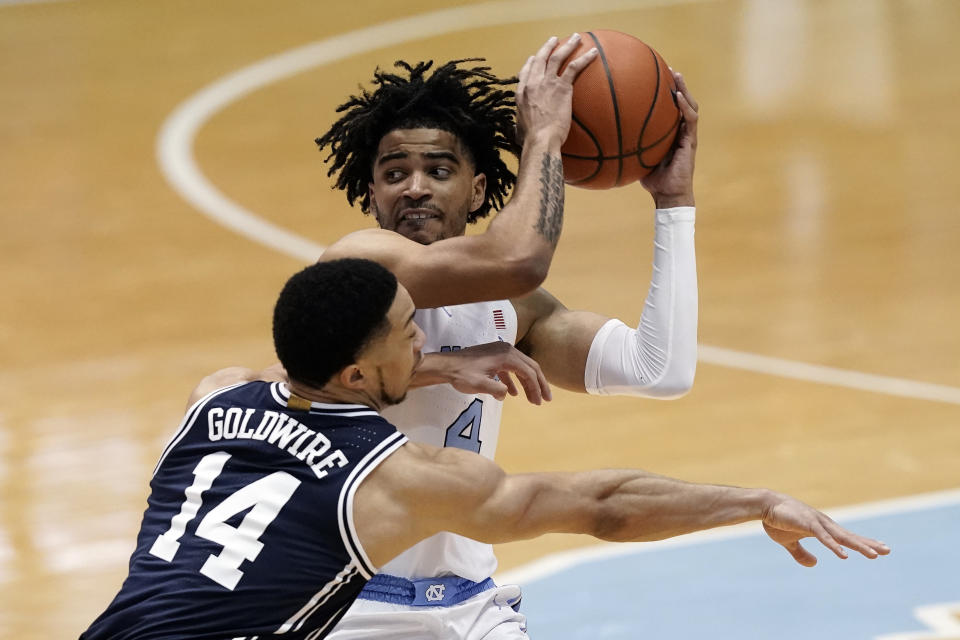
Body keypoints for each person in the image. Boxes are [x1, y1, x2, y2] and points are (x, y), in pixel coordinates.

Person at [80, 259, 889, 640]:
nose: (423, 341)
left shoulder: (213, 396)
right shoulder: (395, 478)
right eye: (410, 334)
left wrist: (430, 367)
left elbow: (282, 372)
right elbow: (600, 507)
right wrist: (754, 501)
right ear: (359, 371)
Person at [312, 35, 699, 638]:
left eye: (439, 170)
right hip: (352, 602)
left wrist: (673, 204)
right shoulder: (358, 268)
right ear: (371, 194)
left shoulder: (512, 310)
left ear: (478, 188)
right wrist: (544, 136)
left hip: (472, 605)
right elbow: (519, 257)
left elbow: (660, 370)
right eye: (395, 173)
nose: (415, 187)